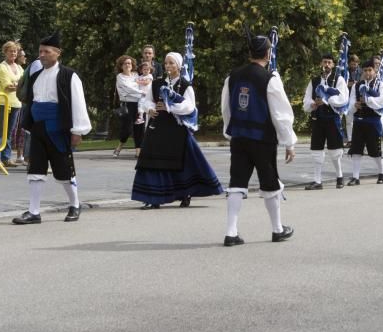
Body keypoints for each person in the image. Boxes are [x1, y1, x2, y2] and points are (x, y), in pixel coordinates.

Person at [221, 32, 297, 246]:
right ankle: (277, 229)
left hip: (239, 137)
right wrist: (289, 142)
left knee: (236, 183)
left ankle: (231, 232)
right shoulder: (270, 79)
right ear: (268, 53)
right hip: (262, 139)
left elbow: (226, 108)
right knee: (270, 183)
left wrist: (230, 131)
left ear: (249, 53)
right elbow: (281, 115)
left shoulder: (232, 76)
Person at [11, 32, 91, 225]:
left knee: (64, 170)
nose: (42, 55)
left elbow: (78, 103)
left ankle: (75, 205)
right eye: (40, 52)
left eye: (46, 51)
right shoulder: (37, 75)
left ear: (57, 53)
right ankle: (34, 211)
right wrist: (29, 124)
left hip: (59, 128)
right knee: (35, 170)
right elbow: (31, 101)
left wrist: (77, 131)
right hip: (38, 129)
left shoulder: (69, 76)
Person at [132, 52, 222, 209]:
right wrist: (150, 109)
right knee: (153, 161)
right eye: (166, 63)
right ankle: (153, 197)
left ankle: (185, 194)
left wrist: (169, 106)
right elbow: (147, 101)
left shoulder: (185, 85)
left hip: (177, 129)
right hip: (157, 127)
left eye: (172, 63)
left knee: (182, 162)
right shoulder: (157, 83)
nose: (168, 66)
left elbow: (189, 107)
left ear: (179, 66)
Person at [302, 53, 348, 190]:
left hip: (332, 119)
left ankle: (339, 177)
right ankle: (317, 181)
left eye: (329, 62)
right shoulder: (314, 80)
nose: (326, 65)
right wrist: (313, 104)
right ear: (321, 64)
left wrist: (327, 101)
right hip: (318, 119)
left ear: (333, 65)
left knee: (335, 150)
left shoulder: (338, 79)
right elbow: (306, 99)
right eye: (324, 62)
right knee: (317, 150)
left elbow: (343, 98)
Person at [347, 59, 383, 186]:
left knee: (375, 150)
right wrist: (355, 105)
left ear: (375, 71)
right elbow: (350, 104)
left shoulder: (380, 84)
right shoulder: (356, 85)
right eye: (365, 70)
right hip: (359, 121)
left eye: (370, 70)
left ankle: (382, 172)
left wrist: (368, 101)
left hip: (373, 121)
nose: (367, 73)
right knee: (356, 150)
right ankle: (355, 177)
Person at [0, 41, 24, 167]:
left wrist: (17, 85)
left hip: (16, 103)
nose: (13, 53)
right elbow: (7, 87)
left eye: (15, 51)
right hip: (2, 102)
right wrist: (19, 85)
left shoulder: (20, 68)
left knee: (10, 132)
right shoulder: (2, 67)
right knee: (0, 132)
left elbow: (22, 84)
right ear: (5, 52)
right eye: (10, 51)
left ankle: (6, 158)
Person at [114, 55, 144, 158]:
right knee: (126, 129)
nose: (128, 65)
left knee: (139, 128)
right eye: (125, 63)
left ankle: (138, 151)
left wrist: (139, 93)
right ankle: (119, 146)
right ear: (121, 65)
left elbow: (140, 85)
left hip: (138, 104)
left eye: (129, 63)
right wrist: (140, 92)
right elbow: (128, 88)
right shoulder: (120, 77)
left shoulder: (136, 75)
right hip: (127, 105)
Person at [12, 48, 31, 164]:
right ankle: (19, 155)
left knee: (22, 130)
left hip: (21, 103)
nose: (25, 57)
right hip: (16, 102)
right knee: (17, 130)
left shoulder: (21, 69)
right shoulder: (17, 69)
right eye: (23, 55)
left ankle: (20, 155)